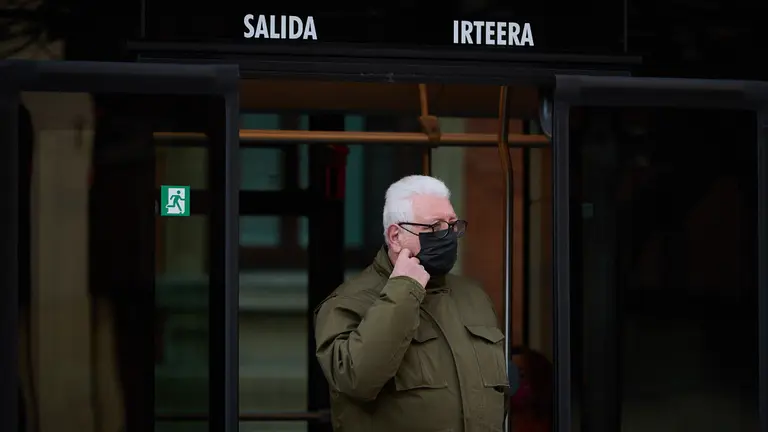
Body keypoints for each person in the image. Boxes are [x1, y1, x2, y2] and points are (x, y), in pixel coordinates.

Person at [314, 175, 508, 431]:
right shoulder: (348, 303)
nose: (447, 235)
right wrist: (404, 290)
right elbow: (358, 379)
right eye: (434, 227)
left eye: (452, 224)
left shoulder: (473, 297)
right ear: (395, 236)